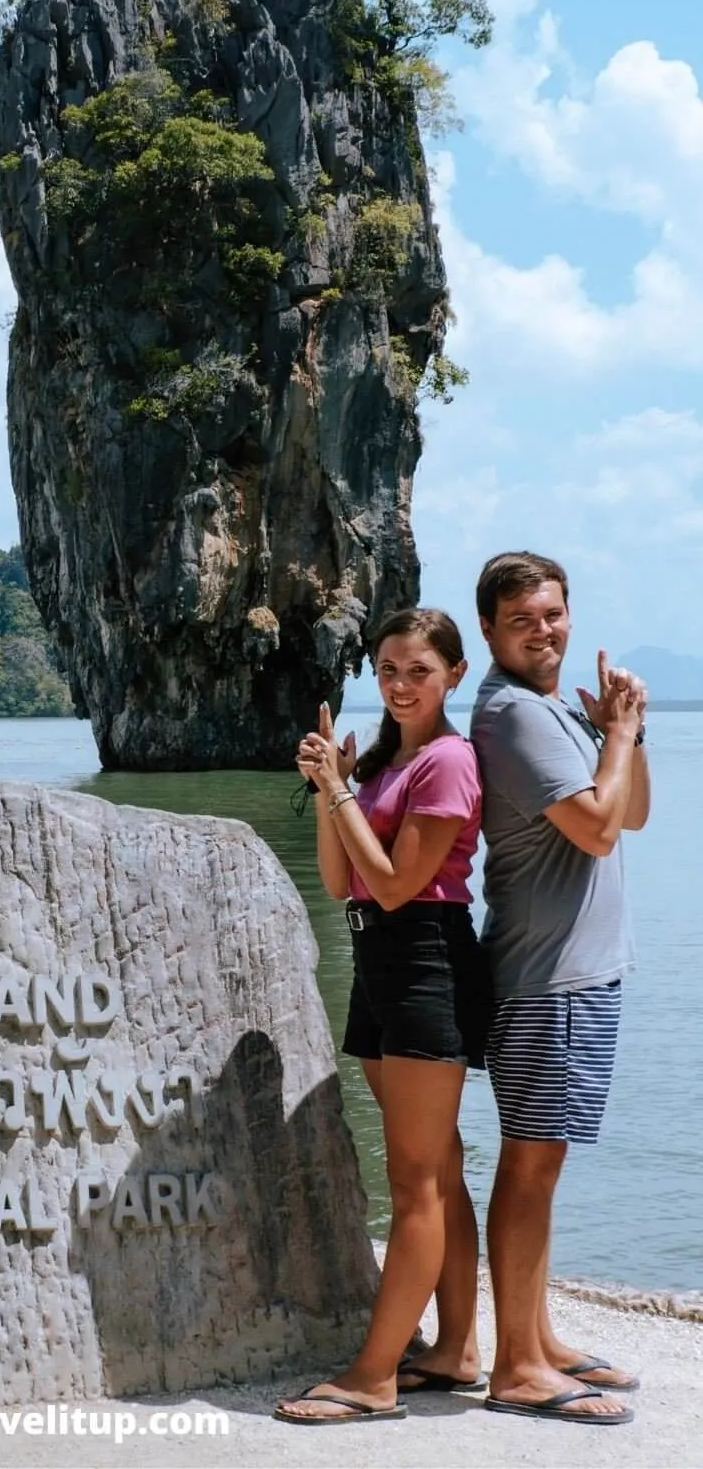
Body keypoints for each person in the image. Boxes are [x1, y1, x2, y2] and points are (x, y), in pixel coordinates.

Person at [274, 607, 492, 1425]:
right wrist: (333, 788)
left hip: (427, 959)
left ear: (454, 676)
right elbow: (341, 882)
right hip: (377, 959)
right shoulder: (385, 761)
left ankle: (373, 1378)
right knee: (436, 1169)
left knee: (414, 1183)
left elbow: (400, 884)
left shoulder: (446, 761)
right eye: (389, 671)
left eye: (420, 672)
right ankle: (456, 1347)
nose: (401, 686)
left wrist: (338, 789)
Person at [471, 552, 648, 1426]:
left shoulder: (548, 712)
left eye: (553, 613)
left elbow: (634, 810)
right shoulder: (515, 717)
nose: (544, 630)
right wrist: (612, 737)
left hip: (576, 970)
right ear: (492, 633)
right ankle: (516, 1367)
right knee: (532, 1164)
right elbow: (597, 830)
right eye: (522, 619)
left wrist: (628, 733)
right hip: (551, 976)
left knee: (542, 1162)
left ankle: (536, 1338)